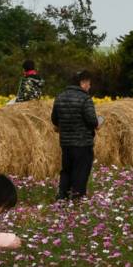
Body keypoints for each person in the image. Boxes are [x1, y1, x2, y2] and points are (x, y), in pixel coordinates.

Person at [51, 70, 101, 200]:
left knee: (66, 170)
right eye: (88, 83)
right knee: (81, 171)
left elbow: (55, 120)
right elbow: (92, 121)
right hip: (83, 143)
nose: (89, 86)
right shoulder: (85, 99)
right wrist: (98, 123)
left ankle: (62, 196)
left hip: (66, 143)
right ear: (82, 83)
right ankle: (77, 199)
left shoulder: (60, 97)